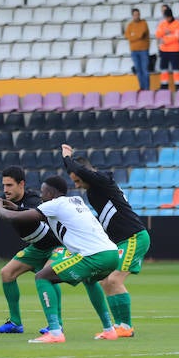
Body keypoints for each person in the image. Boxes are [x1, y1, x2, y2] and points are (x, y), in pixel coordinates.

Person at [0, 176, 120, 344]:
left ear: (50, 192)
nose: (41, 196)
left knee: (43, 277)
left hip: (94, 256)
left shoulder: (54, 204)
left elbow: (10, 218)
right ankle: (109, 330)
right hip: (112, 253)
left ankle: (55, 331)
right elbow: (37, 214)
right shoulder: (76, 200)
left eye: (43, 192)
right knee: (90, 281)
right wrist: (16, 207)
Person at [62, 145, 150, 338]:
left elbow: (79, 170)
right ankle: (119, 326)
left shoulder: (102, 180)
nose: (76, 186)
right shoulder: (94, 189)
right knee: (104, 281)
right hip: (121, 241)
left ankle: (126, 327)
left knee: (114, 279)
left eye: (77, 180)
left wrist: (66, 157)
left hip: (134, 237)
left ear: (85, 173)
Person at [0, 166, 61, 334]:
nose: (5, 190)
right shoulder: (2, 200)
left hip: (55, 246)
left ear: (21, 184)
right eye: (4, 185)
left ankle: (57, 325)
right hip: (37, 248)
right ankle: (15, 323)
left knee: (49, 276)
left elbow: (30, 213)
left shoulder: (34, 198)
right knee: (7, 273)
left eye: (10, 185)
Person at [155, 8, 179, 93]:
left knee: (176, 69)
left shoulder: (177, 24)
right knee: (164, 69)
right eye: (166, 17)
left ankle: (178, 86)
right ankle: (164, 86)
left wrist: (165, 40)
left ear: (171, 16)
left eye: (168, 17)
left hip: (174, 50)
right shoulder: (162, 23)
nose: (167, 19)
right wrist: (166, 32)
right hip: (164, 50)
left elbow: (177, 37)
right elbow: (157, 34)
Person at [125, 8, 151, 91]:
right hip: (134, 51)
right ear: (132, 16)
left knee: (145, 70)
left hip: (143, 50)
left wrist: (133, 36)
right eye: (135, 15)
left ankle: (147, 88)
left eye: (138, 14)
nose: (137, 16)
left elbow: (141, 35)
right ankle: (142, 87)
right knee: (138, 71)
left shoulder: (144, 23)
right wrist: (135, 36)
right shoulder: (130, 25)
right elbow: (128, 36)